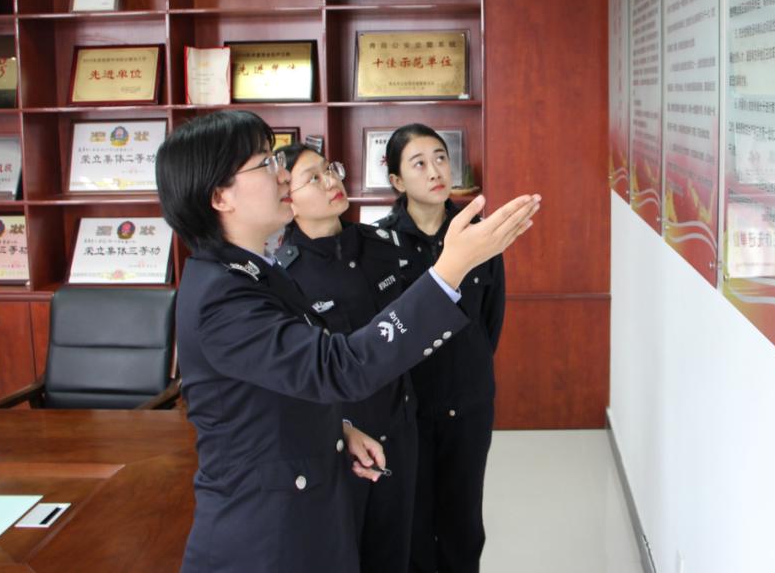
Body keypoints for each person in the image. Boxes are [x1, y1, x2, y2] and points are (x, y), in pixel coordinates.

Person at [154, 110, 539, 572]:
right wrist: (449, 271)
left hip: (307, 504)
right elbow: (339, 366)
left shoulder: (255, 273)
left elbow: (279, 384)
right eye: (266, 164)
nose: (282, 175)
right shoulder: (222, 297)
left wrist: (336, 430)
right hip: (265, 535)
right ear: (220, 196)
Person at [274, 143, 417, 573]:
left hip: (400, 422)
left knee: (395, 549)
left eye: (330, 169)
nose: (332, 181)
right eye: (313, 178)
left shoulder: (382, 245)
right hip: (341, 438)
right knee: (344, 552)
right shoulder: (285, 277)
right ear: (287, 199)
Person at [377, 124, 506, 573]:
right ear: (397, 181)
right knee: (413, 519)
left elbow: (490, 320)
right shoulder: (379, 244)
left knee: (463, 519)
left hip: (468, 402)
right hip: (407, 409)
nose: (435, 171)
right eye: (419, 163)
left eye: (440, 158)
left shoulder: (480, 236)